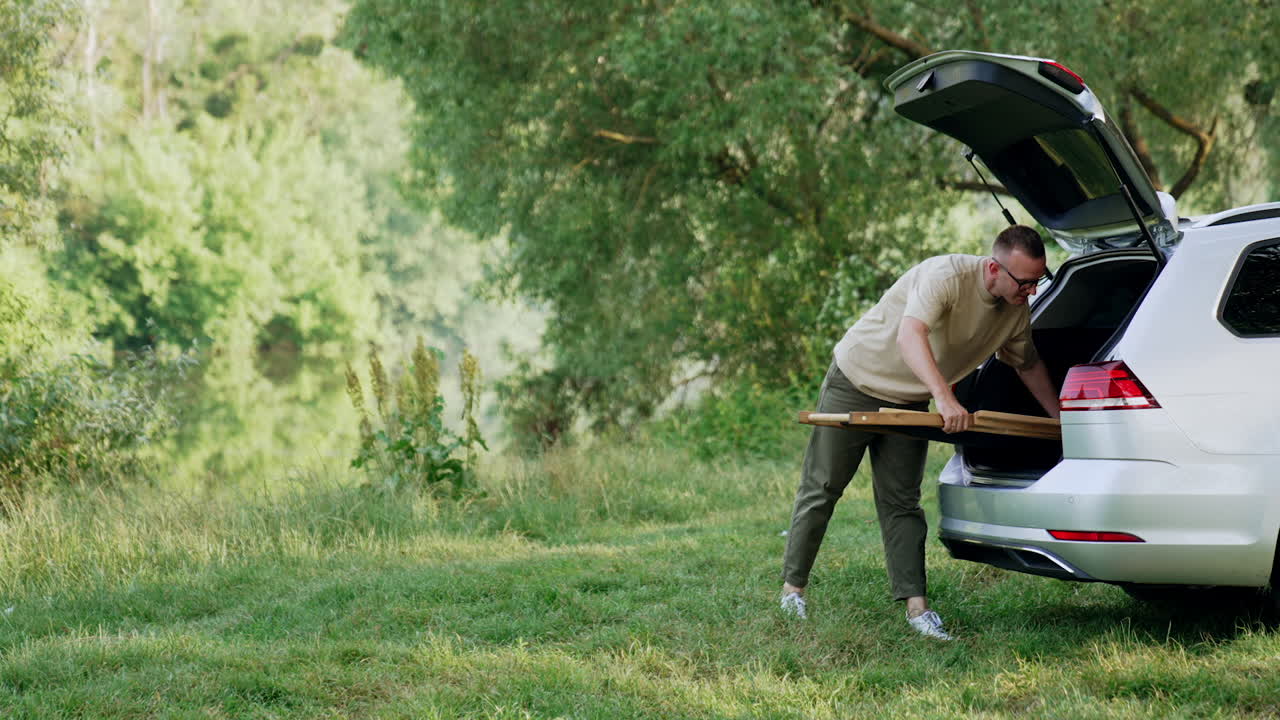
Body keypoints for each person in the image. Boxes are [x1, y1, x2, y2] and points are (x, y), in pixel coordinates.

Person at [779, 225, 1062, 639]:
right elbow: (910, 334)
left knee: (902, 502)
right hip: (856, 379)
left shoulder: (1015, 310)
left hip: (909, 399)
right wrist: (944, 399)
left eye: (1038, 280)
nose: (1031, 291)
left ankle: (917, 610)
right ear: (993, 269)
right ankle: (793, 591)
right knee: (822, 487)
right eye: (1024, 282)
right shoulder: (945, 276)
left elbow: (1027, 363)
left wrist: (1059, 420)